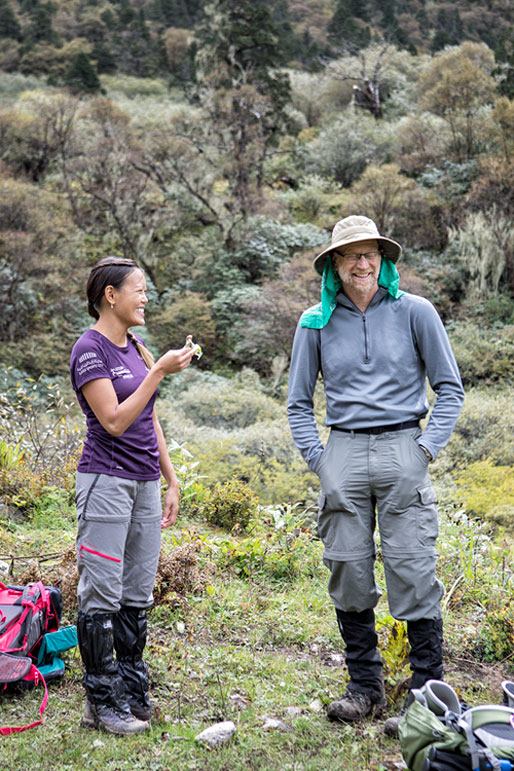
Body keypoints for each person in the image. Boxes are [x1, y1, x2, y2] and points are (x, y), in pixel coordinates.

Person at [287, 215, 464, 734]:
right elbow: (298, 403)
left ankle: (424, 696)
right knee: (348, 570)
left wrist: (425, 450)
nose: (362, 263)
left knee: (412, 567)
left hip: (402, 446)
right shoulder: (314, 322)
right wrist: (319, 461)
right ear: (335, 266)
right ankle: (364, 689)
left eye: (371, 254)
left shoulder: (416, 312)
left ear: (383, 261)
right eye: (351, 255)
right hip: (341, 449)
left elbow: (450, 388)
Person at [70, 256, 196, 735]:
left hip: (144, 481)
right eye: (138, 290)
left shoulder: (137, 347)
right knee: (101, 591)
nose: (145, 298)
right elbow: (116, 421)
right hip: (106, 480)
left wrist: (170, 477)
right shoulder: (90, 351)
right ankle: (101, 703)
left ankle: (130, 688)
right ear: (110, 295)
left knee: (137, 591)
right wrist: (159, 372)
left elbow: (149, 419)